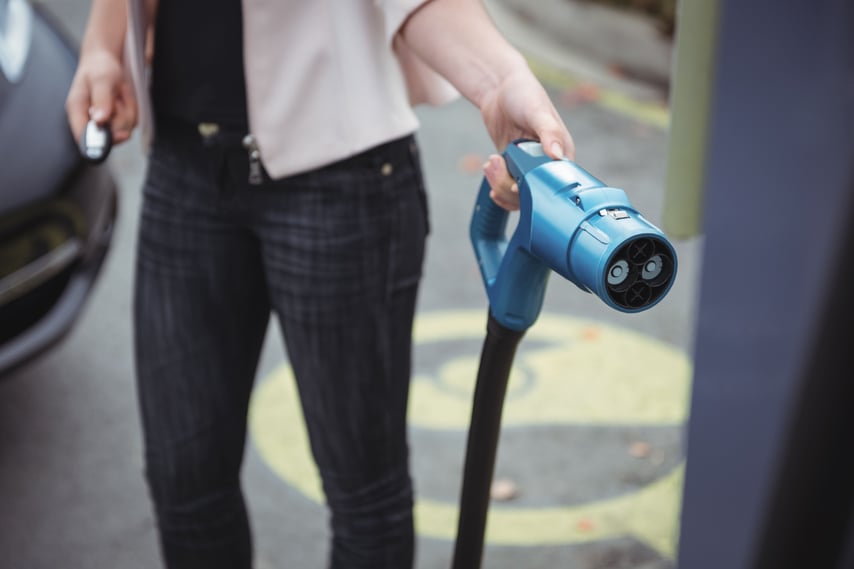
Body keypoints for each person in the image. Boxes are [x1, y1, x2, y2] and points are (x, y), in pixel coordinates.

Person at [66, 1, 574, 568]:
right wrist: (103, 45)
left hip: (342, 181)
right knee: (183, 482)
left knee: (363, 495)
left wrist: (501, 80)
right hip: (184, 164)